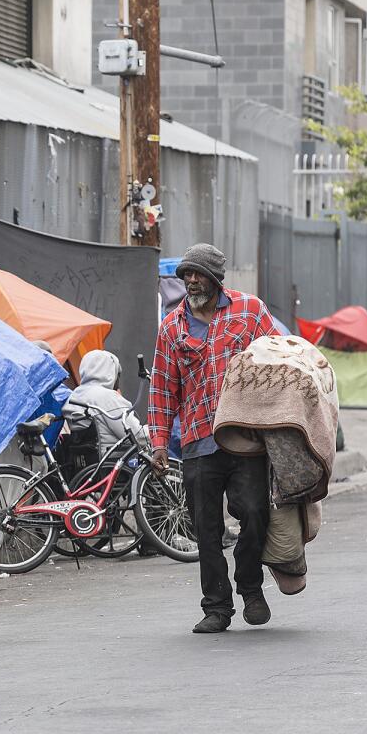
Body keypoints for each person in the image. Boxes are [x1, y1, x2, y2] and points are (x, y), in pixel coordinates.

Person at [147, 243, 280, 634]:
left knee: (255, 512)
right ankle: (217, 607)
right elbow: (161, 389)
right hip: (197, 440)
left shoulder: (249, 311)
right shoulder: (173, 327)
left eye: (198, 274)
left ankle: (251, 587)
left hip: (247, 436)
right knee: (205, 527)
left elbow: (281, 357)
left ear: (216, 279)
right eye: (186, 274)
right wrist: (158, 442)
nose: (190, 280)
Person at [63, 350, 145, 450]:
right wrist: (156, 432)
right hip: (115, 458)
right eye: (117, 374)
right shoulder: (106, 397)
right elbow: (138, 437)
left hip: (87, 460)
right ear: (109, 373)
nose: (118, 380)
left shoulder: (74, 395)